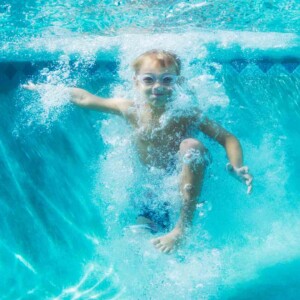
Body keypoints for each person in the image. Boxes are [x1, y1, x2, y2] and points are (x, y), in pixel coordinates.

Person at [23, 50, 253, 254]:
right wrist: (52, 90)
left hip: (187, 178)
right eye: (149, 79)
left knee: (191, 146)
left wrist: (236, 165)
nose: (158, 86)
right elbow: (85, 98)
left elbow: (228, 138)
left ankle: (182, 229)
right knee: (140, 242)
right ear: (136, 82)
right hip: (154, 188)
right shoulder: (129, 108)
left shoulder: (187, 112)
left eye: (167, 80)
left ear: (178, 82)